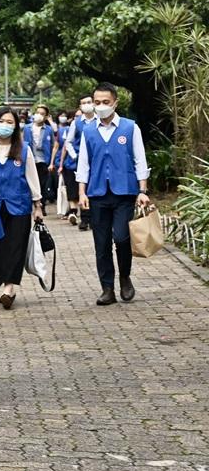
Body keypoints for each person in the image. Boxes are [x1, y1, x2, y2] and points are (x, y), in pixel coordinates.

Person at [77, 83, 150, 306]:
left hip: (124, 193)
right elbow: (83, 163)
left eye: (105, 102)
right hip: (97, 193)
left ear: (115, 102)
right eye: (96, 102)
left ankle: (125, 277)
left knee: (121, 237)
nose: (100, 106)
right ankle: (107, 288)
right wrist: (82, 192)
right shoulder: (88, 131)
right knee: (101, 243)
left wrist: (142, 190)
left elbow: (140, 160)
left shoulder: (129, 128)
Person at [0, 108, 44, 310]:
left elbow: (32, 178)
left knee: (15, 248)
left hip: (18, 207)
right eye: (1, 121)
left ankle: (9, 289)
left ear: (16, 126)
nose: (5, 125)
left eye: (10, 122)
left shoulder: (23, 149)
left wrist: (37, 205)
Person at [23, 105, 59, 213]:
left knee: (42, 183)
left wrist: (51, 162)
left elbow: (54, 145)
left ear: (46, 116)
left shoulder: (48, 129)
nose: (39, 115)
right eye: (37, 112)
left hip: (44, 160)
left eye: (42, 114)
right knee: (30, 182)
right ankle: (31, 205)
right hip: (30, 159)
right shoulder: (27, 128)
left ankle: (41, 205)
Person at [70, 95, 97, 230]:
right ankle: (85, 219)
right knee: (83, 188)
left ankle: (94, 218)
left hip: (98, 160)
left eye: (89, 102)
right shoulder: (76, 123)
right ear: (80, 107)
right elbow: (68, 142)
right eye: (83, 103)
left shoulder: (100, 120)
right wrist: (75, 155)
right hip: (82, 161)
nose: (87, 104)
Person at [57, 112, 81, 225]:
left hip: (84, 165)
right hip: (70, 164)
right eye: (76, 116)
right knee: (71, 188)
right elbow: (65, 148)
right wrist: (61, 164)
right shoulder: (70, 130)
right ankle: (73, 211)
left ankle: (85, 214)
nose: (78, 118)